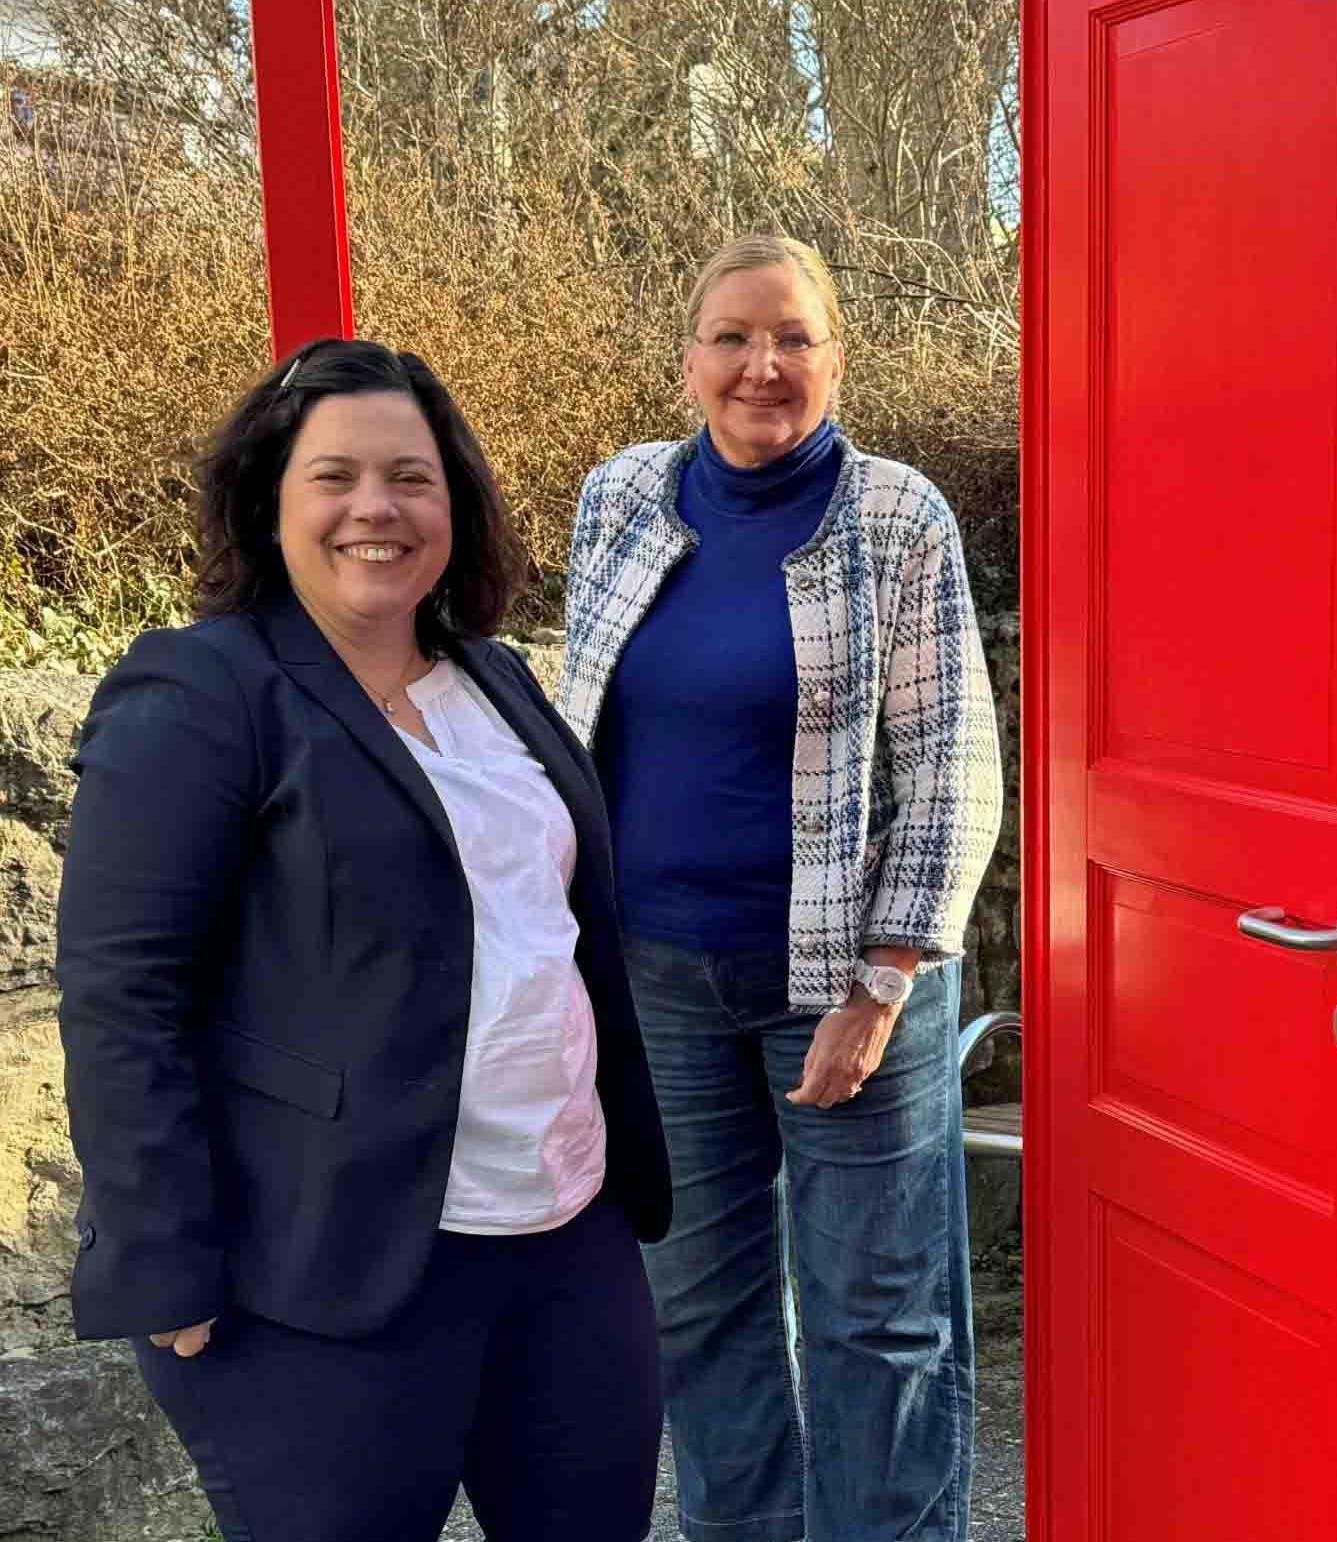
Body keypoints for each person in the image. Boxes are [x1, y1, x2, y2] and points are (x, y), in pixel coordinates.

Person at [57, 338, 672, 1542]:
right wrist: (161, 1255)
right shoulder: (203, 690)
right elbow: (124, 991)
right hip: (326, 1268)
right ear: (269, 500)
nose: (375, 508)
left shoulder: (498, 682)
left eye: (412, 476)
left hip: (564, 1241)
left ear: (457, 504)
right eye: (334, 477)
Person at [557, 234, 1002, 1542]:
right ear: (690, 358)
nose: (764, 365)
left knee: (880, 1313)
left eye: (795, 338)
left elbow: (955, 765)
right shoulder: (621, 497)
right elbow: (582, 717)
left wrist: (884, 979)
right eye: (735, 337)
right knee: (697, 1303)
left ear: (835, 360)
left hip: (852, 984)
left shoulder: (896, 517)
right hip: (660, 976)